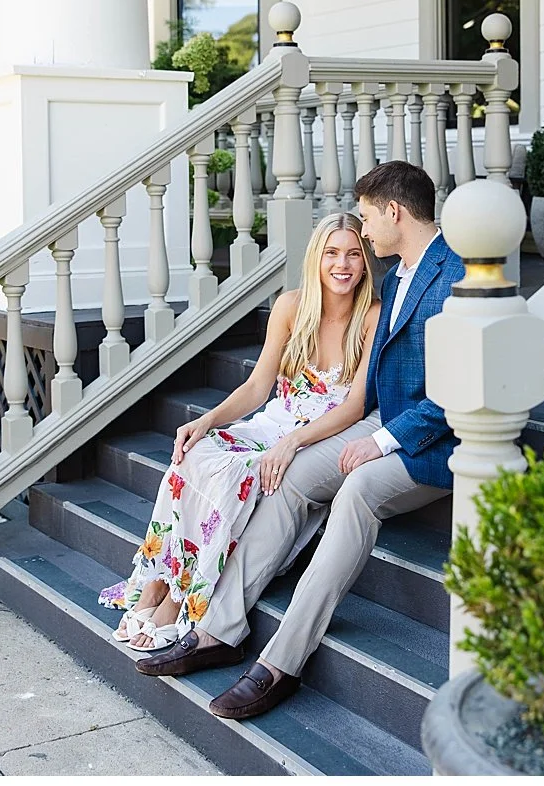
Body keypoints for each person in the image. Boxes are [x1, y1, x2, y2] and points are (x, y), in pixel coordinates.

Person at [135, 161, 464, 723]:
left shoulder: (455, 275)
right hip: (385, 423)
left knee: (357, 490)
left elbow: (459, 393)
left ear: (394, 212)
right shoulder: (397, 275)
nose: (363, 232)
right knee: (288, 478)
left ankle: (281, 663)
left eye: (366, 219)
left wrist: (383, 439)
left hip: (436, 443)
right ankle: (218, 631)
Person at [99, 213, 380, 650]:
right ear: (316, 257)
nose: (341, 264)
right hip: (272, 423)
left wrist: (293, 442)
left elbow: (355, 405)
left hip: (316, 437)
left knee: (237, 473)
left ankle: (178, 599)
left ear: (365, 263)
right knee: (194, 454)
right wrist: (206, 420)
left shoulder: (371, 316)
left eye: (353, 254)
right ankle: (159, 583)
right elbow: (256, 387)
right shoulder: (291, 307)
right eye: (331, 253)